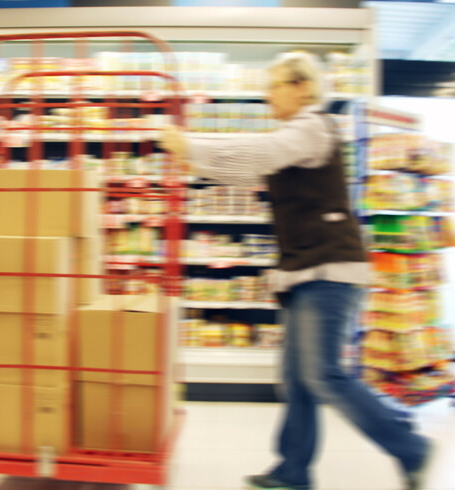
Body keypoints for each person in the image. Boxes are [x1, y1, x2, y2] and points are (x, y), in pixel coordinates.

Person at [159, 52, 433, 490]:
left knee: (323, 374)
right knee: (297, 379)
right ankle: (293, 470)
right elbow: (252, 165)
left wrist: (192, 145)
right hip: (305, 270)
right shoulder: (294, 133)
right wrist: (199, 163)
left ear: (303, 87)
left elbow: (260, 151)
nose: (267, 95)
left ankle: (409, 446)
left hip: (328, 269)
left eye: (275, 85)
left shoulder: (311, 127)